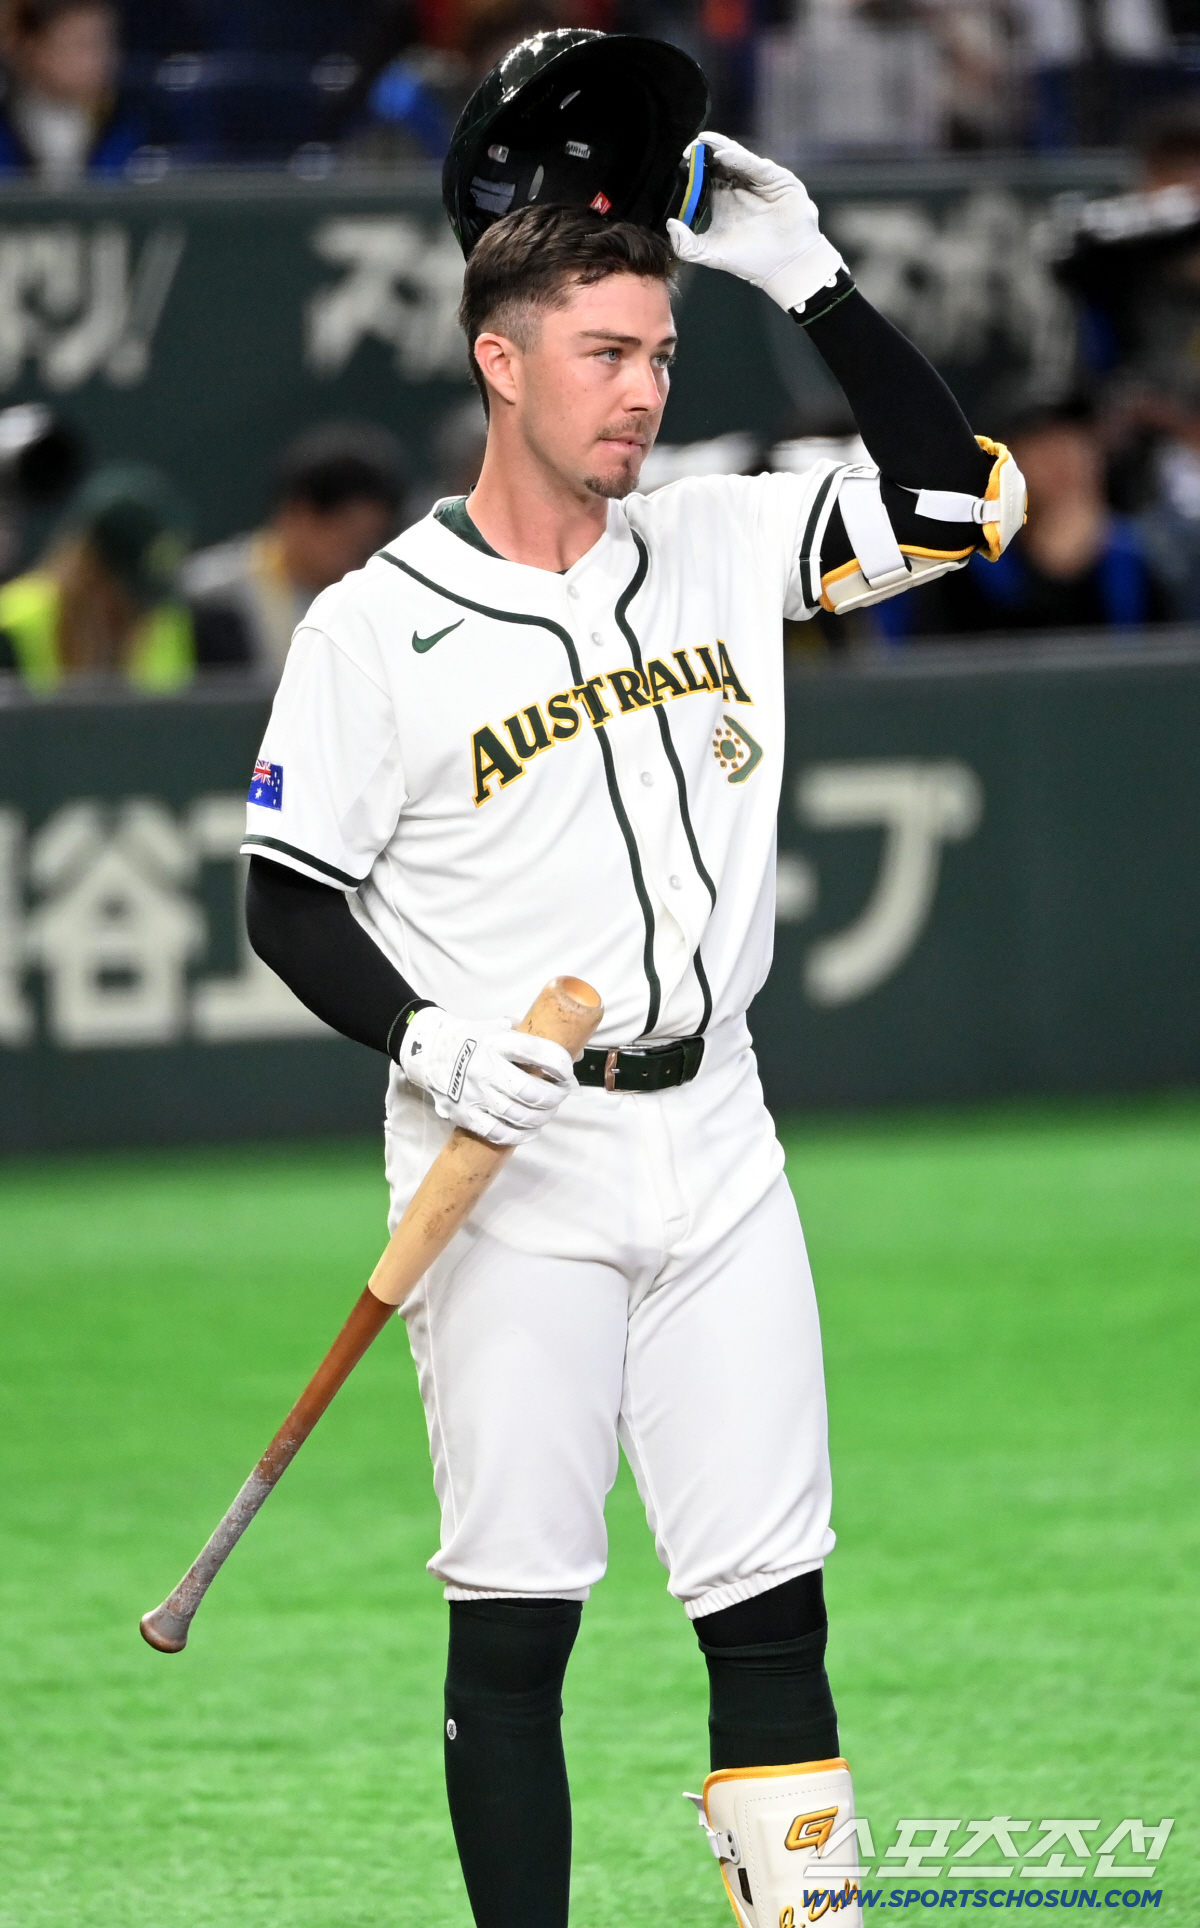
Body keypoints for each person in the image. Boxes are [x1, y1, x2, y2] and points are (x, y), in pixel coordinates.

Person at [239, 32, 1026, 1928]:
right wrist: (433, 1039)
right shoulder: (376, 627)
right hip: (510, 1159)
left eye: (662, 352)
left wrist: (811, 280)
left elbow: (958, 509)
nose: (645, 389)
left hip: (720, 1131)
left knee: (771, 1606)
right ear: (500, 362)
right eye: (606, 352)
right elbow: (288, 900)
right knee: (518, 1619)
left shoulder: (722, 535)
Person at [876, 399, 1169, 639]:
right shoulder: (957, 569)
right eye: (1041, 446)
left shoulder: (1139, 558)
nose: (1063, 460)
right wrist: (1053, 575)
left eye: (1074, 441)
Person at [182, 422, 407, 681]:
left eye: (370, 538)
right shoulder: (212, 598)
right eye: (344, 533)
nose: (356, 552)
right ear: (295, 514)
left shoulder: (385, 598)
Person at [0, 461, 192, 689]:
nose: (131, 613)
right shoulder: (10, 628)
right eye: (121, 591)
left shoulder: (169, 622)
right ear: (85, 568)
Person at [0, 0, 144, 181]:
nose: (101, 60)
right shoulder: (6, 129)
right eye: (81, 44)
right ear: (31, 46)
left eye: (107, 43)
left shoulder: (135, 123)